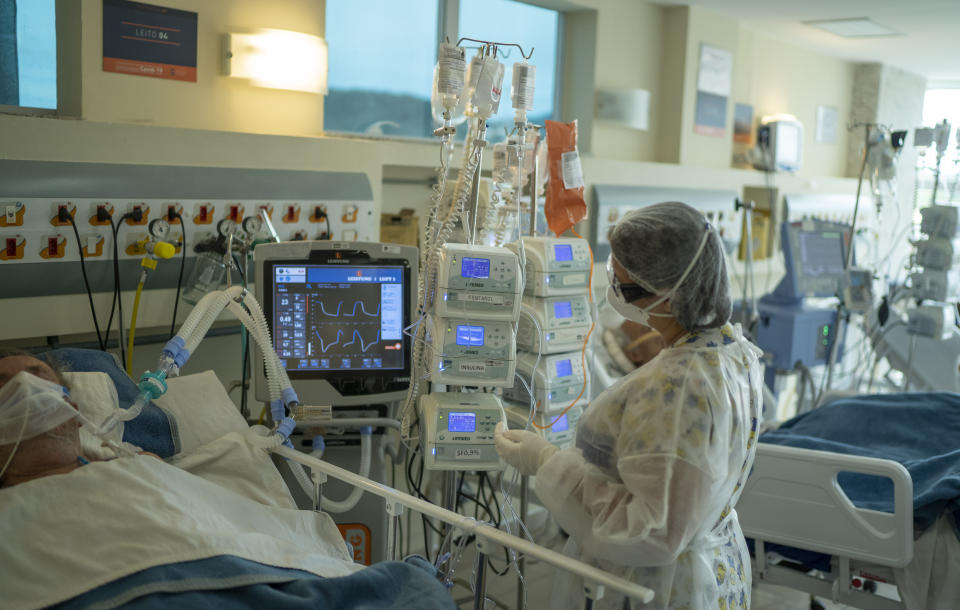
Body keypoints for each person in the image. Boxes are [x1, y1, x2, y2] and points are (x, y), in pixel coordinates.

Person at [495, 202, 763, 610]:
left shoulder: (675, 389)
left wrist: (547, 462)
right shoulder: (731, 352)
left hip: (652, 588)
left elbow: (650, 530)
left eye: (626, 286)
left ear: (673, 295)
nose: (615, 294)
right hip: (713, 569)